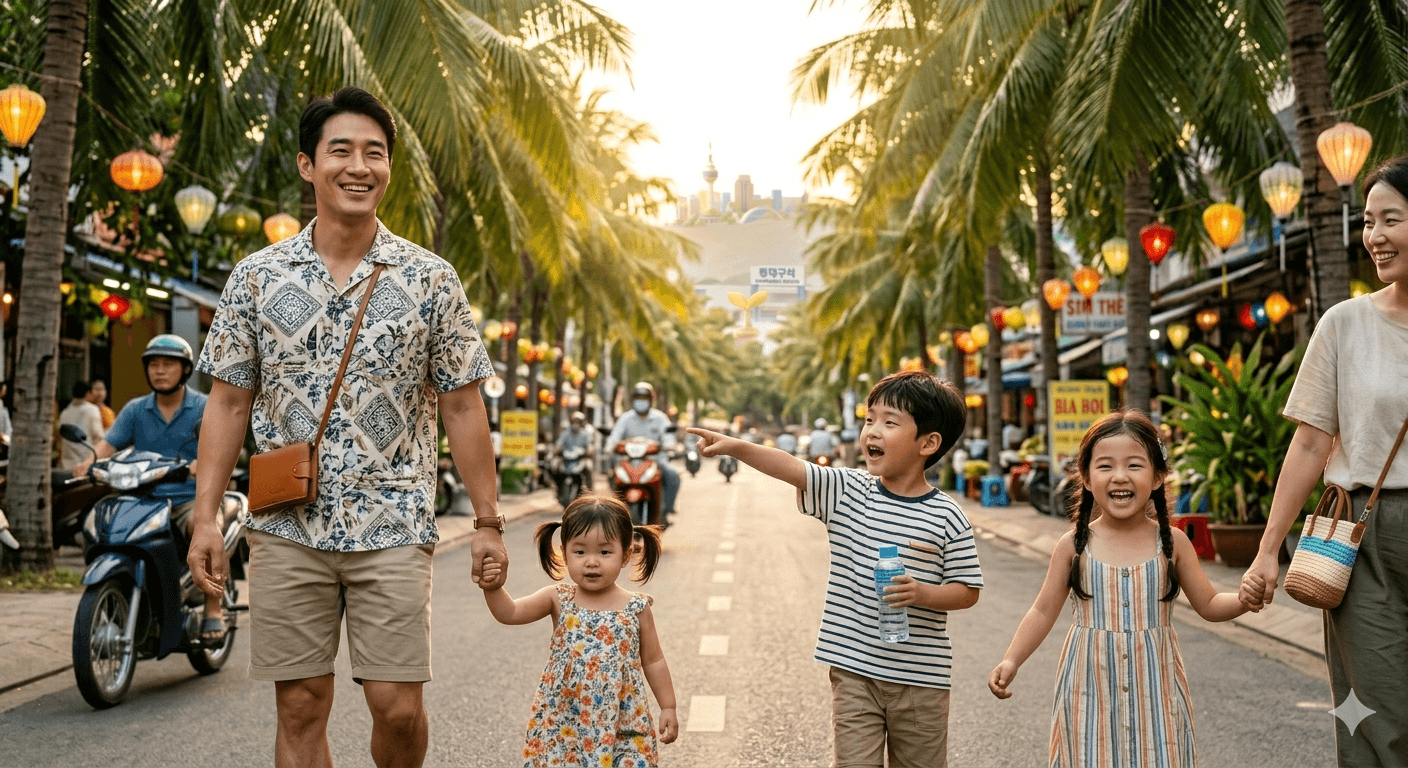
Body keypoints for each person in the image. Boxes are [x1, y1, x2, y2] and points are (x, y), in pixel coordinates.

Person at [185, 86, 504, 768]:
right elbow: (228, 403)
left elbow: (462, 406)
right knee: (300, 705)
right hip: (284, 522)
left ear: (388, 168)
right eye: (341, 151)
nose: (359, 167)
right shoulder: (256, 278)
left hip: (392, 519)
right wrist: (206, 516)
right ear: (308, 166)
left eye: (375, 153)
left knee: (397, 705)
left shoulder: (431, 279)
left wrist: (487, 521)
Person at [689, 370, 981, 768]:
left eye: (889, 422)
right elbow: (791, 467)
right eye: (869, 419)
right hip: (854, 670)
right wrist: (738, 447)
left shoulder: (948, 515)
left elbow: (968, 590)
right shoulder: (847, 490)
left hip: (921, 681)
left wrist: (923, 593)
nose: (872, 432)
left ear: (928, 443)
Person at [1240, 155, 1408, 765]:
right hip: (1363, 537)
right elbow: (1310, 444)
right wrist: (1266, 549)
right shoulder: (1345, 324)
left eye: (1391, 219)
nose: (1375, 237)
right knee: (1375, 717)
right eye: (1368, 221)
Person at [988, 409, 1250, 767]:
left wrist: (1245, 599)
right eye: (1106, 466)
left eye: (1135, 465)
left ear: (1158, 477)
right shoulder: (1073, 546)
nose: (1120, 476)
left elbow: (1210, 603)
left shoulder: (1172, 543)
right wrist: (1011, 658)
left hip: (1156, 693)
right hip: (1087, 691)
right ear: (1086, 477)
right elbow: (1042, 610)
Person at [479, 494, 677, 766]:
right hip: (564, 724)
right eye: (580, 551)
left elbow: (654, 660)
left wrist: (668, 706)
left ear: (625, 555)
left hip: (623, 722)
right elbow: (510, 613)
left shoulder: (636, 607)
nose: (592, 561)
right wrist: (493, 587)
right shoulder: (557, 599)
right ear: (564, 551)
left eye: (605, 552)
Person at [73, 336, 222, 639]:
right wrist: (88, 463)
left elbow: (221, 449)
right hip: (141, 498)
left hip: (186, 498)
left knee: (200, 526)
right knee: (99, 525)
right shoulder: (136, 409)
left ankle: (213, 607)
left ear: (185, 369)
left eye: (168, 364)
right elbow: (107, 445)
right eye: (154, 364)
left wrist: (201, 466)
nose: (160, 371)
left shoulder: (204, 407)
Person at [606, 382, 680, 525]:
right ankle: (616, 509)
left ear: (651, 399)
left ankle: (667, 509)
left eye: (644, 397)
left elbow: (668, 437)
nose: (641, 401)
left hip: (655, 460)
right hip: (628, 461)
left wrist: (670, 445)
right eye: (638, 397)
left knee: (672, 475)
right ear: (633, 399)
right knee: (613, 474)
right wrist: (610, 446)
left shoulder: (660, 418)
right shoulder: (625, 418)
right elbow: (615, 436)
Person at [57, 380, 105, 470]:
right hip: (86, 463)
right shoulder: (93, 410)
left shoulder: (64, 413)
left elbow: (60, 438)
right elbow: (98, 436)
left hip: (66, 464)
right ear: (88, 393)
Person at [553, 410, 594, 488]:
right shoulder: (565, 433)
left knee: (589, 466)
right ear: (571, 421)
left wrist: (590, 450)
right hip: (566, 459)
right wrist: (556, 450)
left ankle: (589, 490)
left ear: (582, 423)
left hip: (580, 459)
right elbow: (559, 444)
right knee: (554, 466)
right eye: (574, 421)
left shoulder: (585, 434)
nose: (576, 423)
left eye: (579, 421)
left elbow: (589, 445)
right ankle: (557, 487)